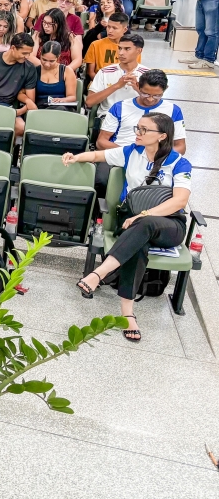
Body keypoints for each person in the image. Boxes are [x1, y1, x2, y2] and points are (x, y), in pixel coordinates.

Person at [66, 112, 192, 342]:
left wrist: (144, 214)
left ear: (162, 136)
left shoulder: (179, 162)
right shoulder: (131, 152)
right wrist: (75, 157)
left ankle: (98, 273)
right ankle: (128, 314)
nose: (138, 133)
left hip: (169, 224)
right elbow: (98, 155)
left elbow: (179, 201)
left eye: (145, 130)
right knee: (138, 244)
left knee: (145, 224)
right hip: (132, 222)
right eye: (138, 128)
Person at [97, 69, 185, 156]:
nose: (150, 99)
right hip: (121, 155)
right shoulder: (119, 107)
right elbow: (101, 142)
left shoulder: (174, 110)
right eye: (145, 94)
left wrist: (153, 156)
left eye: (156, 96)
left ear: (165, 89)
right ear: (138, 85)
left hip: (156, 160)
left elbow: (180, 147)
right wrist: (132, 155)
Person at [86, 33, 150, 117]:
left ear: (139, 51)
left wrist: (138, 89)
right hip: (109, 116)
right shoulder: (104, 72)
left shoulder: (147, 74)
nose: (121, 53)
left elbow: (153, 103)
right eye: (119, 48)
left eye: (127, 49)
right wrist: (117, 86)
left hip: (137, 117)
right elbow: (89, 102)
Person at [29, 8, 82, 72]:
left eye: (50, 24)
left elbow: (77, 60)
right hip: (41, 71)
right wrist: (48, 68)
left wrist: (62, 71)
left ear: (59, 24)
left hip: (63, 73)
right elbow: (31, 56)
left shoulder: (71, 38)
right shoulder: (37, 36)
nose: (45, 26)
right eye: (44, 22)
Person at [85, 12, 131, 78]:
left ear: (125, 29)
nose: (110, 31)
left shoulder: (132, 47)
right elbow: (90, 72)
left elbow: (133, 71)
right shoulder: (95, 45)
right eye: (108, 27)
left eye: (114, 28)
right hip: (99, 83)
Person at [34, 41, 78, 109]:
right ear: (40, 55)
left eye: (51, 61)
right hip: (41, 107)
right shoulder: (35, 71)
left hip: (61, 107)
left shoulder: (67, 71)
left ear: (58, 58)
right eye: (44, 60)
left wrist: (63, 100)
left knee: (60, 109)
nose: (47, 64)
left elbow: (72, 97)